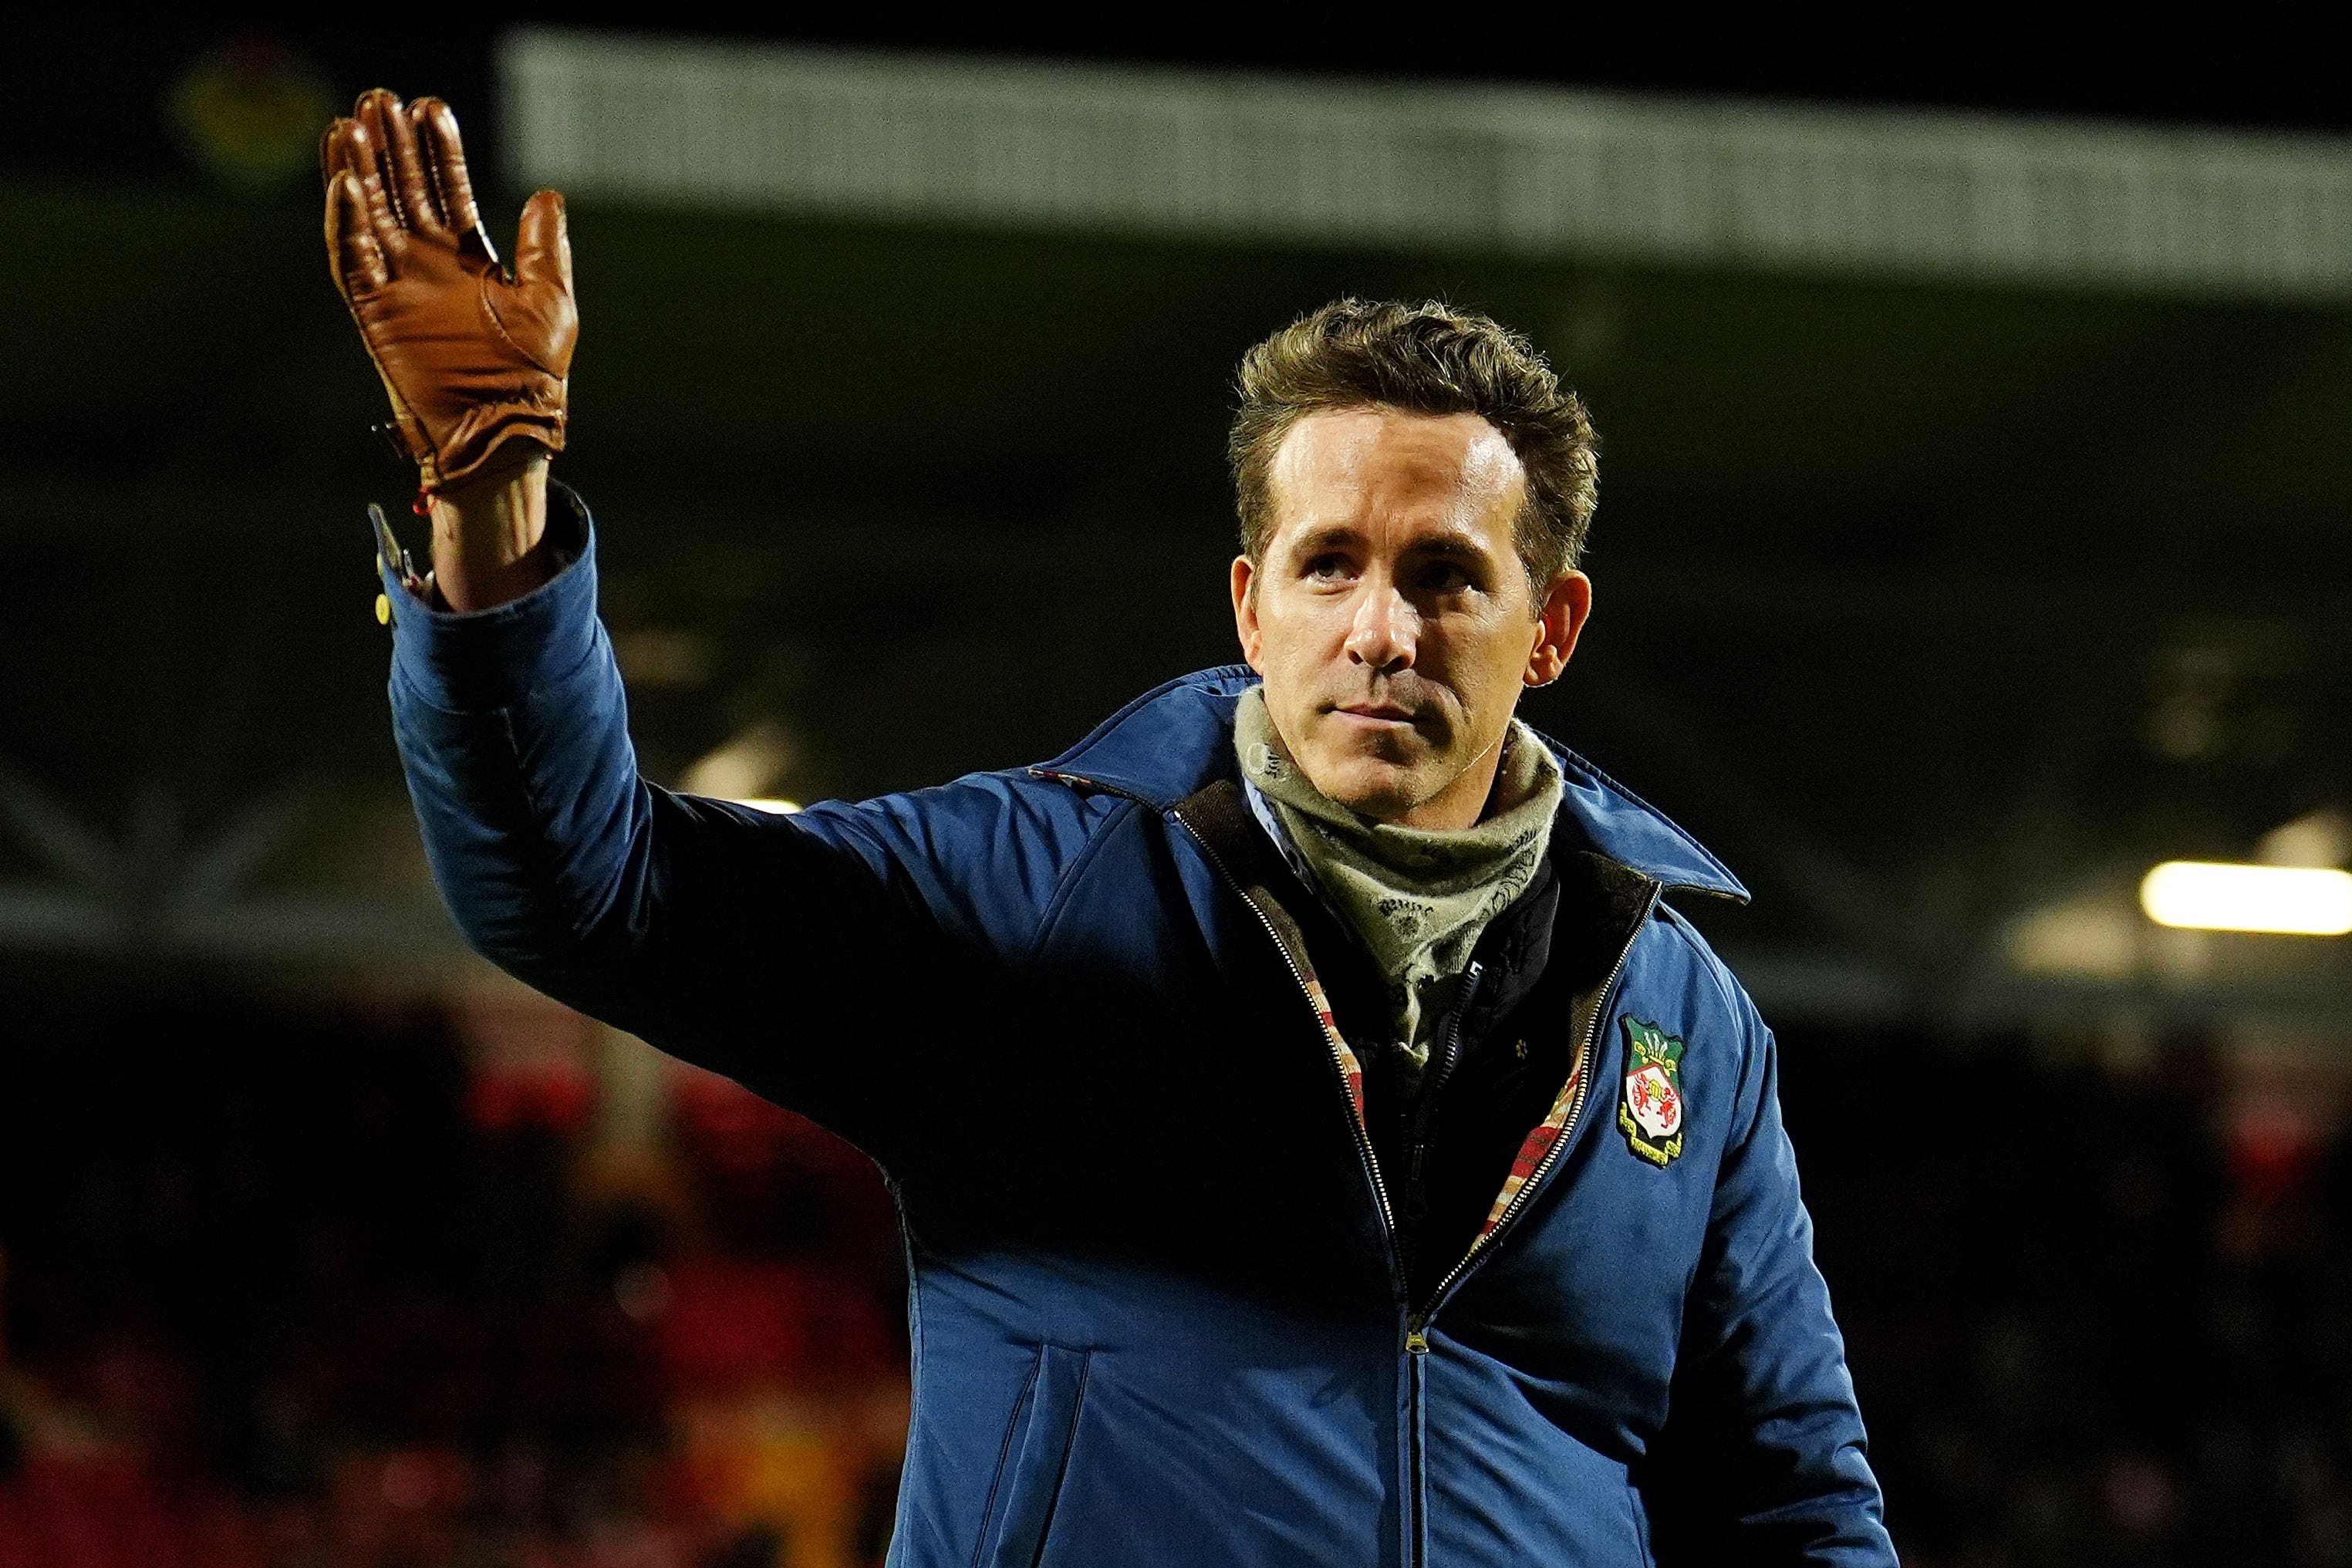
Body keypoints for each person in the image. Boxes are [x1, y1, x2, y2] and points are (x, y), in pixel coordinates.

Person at [322, 88, 1894, 1567]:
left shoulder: (1677, 1017)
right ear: (1248, 604)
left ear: (1547, 628)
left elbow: (1789, 1495)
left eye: (1444, 577)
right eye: (1329, 563)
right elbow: (586, 889)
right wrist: (491, 512)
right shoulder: (1024, 899)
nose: (1380, 630)